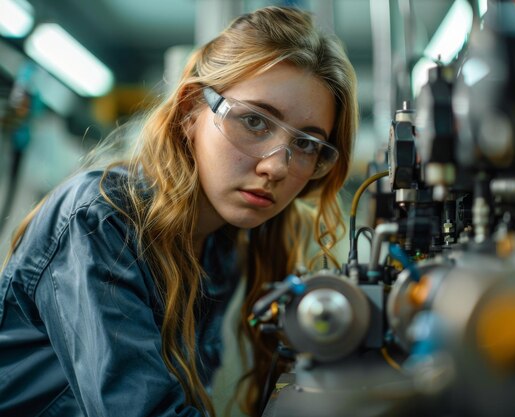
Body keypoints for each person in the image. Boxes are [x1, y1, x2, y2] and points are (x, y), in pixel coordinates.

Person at [0, 6, 358, 417]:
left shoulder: (223, 242)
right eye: (255, 122)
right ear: (191, 110)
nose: (277, 166)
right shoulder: (101, 220)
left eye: (308, 145)